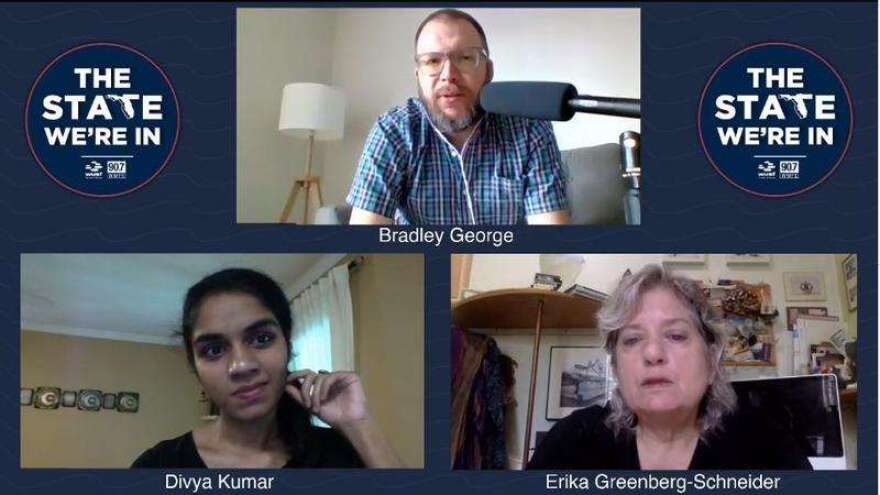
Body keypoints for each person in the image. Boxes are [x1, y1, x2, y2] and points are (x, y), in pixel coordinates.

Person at [528, 265, 812, 470]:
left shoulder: (768, 446)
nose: (652, 353)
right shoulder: (570, 442)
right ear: (616, 368)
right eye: (632, 339)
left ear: (712, 362)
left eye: (676, 335)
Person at [132, 268, 400, 468]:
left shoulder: (338, 454)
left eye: (261, 339)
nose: (242, 365)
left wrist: (360, 424)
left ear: (288, 343)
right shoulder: (159, 465)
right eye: (213, 350)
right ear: (195, 367)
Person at [346, 9, 570, 225]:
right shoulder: (393, 131)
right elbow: (364, 244)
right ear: (418, 76)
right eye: (433, 61)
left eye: (464, 58)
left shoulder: (530, 127)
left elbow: (552, 242)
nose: (448, 76)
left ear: (488, 71)